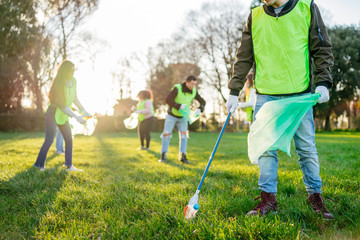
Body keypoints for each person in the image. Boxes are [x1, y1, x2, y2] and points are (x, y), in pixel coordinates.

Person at [226, 0, 334, 219]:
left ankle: (315, 196)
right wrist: (233, 90)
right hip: (267, 95)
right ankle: (268, 199)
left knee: (306, 148)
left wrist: (323, 82)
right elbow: (244, 56)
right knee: (266, 148)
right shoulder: (254, 16)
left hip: (300, 94)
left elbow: (321, 48)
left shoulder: (307, 7)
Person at [33, 60, 90, 172]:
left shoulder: (73, 81)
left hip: (63, 116)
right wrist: (76, 117)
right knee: (49, 140)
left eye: (74, 70)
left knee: (69, 140)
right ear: (65, 71)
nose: (73, 73)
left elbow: (75, 98)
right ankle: (38, 165)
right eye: (71, 70)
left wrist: (83, 111)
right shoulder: (59, 83)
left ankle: (69, 166)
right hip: (53, 113)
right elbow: (62, 106)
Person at [159, 75, 206, 163]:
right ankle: (163, 155)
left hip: (184, 117)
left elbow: (203, 101)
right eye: (192, 84)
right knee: (166, 134)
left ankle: (182, 156)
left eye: (194, 84)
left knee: (184, 136)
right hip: (172, 115)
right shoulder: (178, 88)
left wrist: (200, 108)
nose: (193, 86)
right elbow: (168, 99)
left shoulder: (194, 91)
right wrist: (178, 106)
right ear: (187, 82)